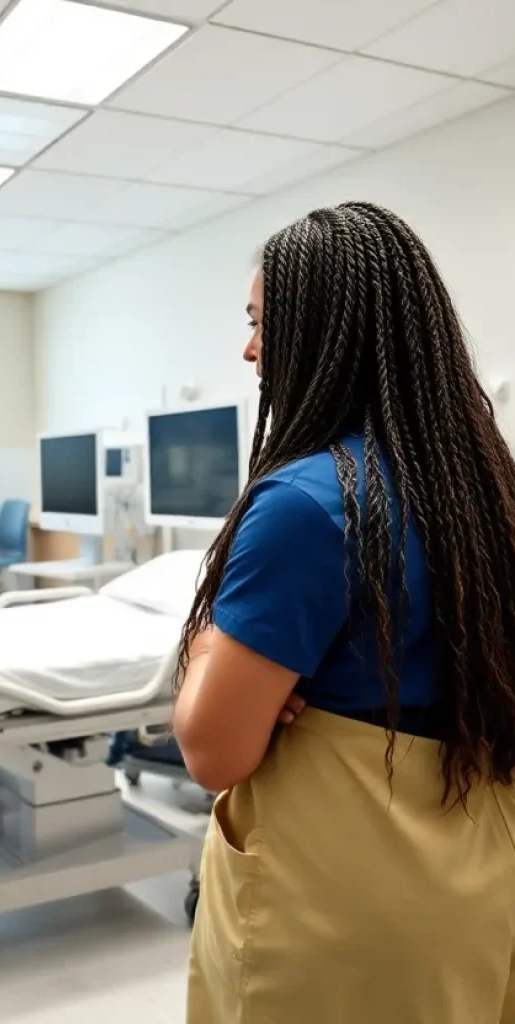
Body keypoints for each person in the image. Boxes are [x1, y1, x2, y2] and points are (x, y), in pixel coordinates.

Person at [173, 201, 515, 1023]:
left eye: (262, 323)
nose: (249, 349)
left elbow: (213, 748)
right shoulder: (488, 490)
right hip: (473, 888)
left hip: (340, 910)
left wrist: (207, 648)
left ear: (325, 333)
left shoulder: (306, 504)